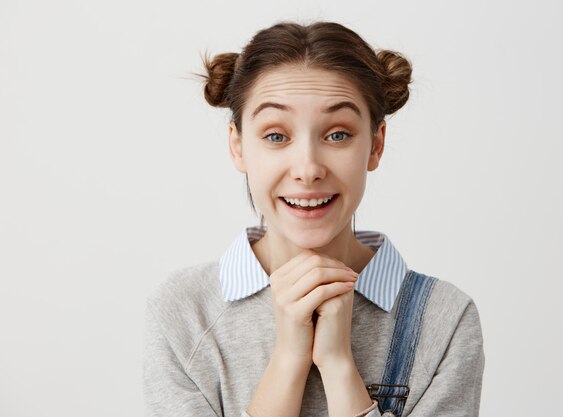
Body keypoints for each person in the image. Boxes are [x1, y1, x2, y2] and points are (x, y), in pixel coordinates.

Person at [143, 20, 485, 417]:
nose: (307, 168)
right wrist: (287, 361)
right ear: (238, 146)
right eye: (276, 136)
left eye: (338, 134)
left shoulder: (443, 319)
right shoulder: (183, 312)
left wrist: (340, 367)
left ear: (376, 145)